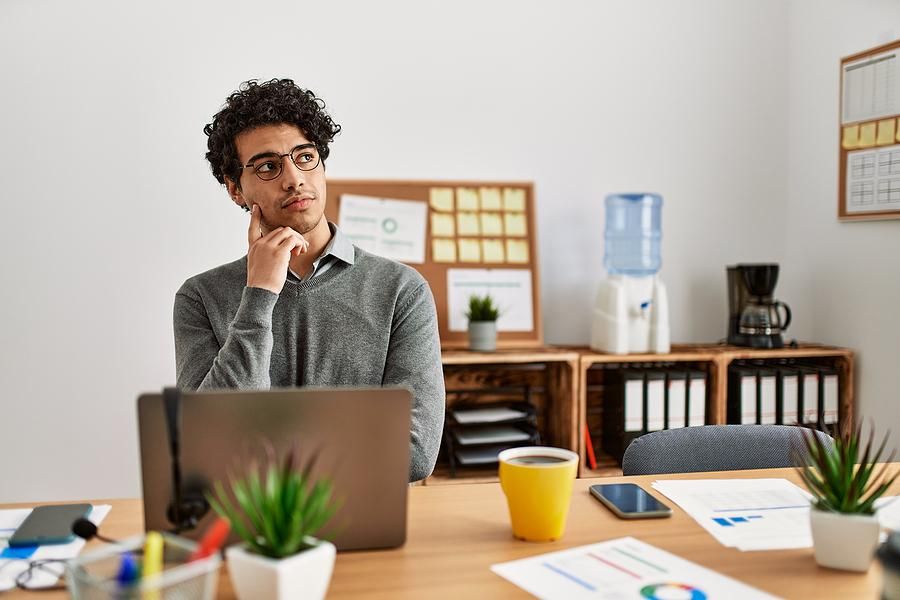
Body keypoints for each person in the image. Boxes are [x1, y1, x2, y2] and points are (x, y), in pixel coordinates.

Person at [173, 78, 445, 481]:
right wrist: (259, 295)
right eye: (268, 166)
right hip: (250, 528)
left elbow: (414, 454)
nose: (294, 178)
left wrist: (263, 446)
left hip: (369, 521)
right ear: (235, 189)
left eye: (304, 157)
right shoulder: (200, 297)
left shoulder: (401, 290)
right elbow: (210, 444)